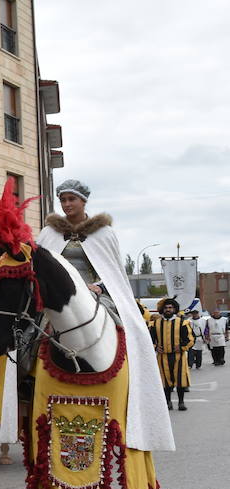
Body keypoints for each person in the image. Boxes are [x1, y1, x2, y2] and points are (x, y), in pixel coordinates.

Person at [35, 179, 174, 452]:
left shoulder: (104, 233)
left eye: (71, 199)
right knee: (32, 332)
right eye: (62, 200)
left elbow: (113, 272)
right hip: (58, 299)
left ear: (84, 201)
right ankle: (27, 385)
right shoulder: (50, 233)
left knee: (129, 329)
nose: (66, 205)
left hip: (96, 293)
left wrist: (98, 285)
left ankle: (132, 376)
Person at [148, 297, 193, 411]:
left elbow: (190, 339)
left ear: (174, 309)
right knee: (165, 381)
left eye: (170, 307)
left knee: (180, 380)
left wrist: (182, 347)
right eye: (166, 308)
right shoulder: (155, 323)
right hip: (162, 357)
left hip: (178, 356)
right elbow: (149, 340)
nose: (168, 309)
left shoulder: (182, 322)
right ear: (162, 309)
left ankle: (181, 402)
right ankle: (168, 402)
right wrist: (156, 347)